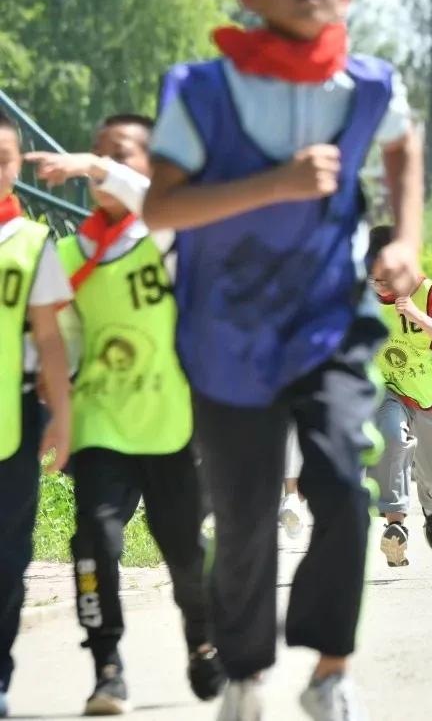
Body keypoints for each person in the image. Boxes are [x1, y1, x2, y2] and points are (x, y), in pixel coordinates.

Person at [141, 0, 423, 720]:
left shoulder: (368, 85)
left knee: (342, 484)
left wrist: (406, 236)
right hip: (225, 334)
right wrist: (277, 184)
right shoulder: (199, 89)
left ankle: (331, 671)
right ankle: (243, 673)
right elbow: (163, 204)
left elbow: (403, 150)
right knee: (244, 510)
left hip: (327, 321)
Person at [27, 115, 227, 714]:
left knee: (186, 557)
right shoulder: (64, 254)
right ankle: (106, 666)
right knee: (93, 542)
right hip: (99, 429)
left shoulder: (169, 241)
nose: (104, 167)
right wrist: (54, 405)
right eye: (97, 154)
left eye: (121, 156)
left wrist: (92, 165)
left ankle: (202, 639)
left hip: (171, 430)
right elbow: (58, 346)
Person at [0, 112, 73, 719]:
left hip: (16, 419)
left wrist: (62, 413)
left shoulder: (30, 242)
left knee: (8, 555)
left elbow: (49, 338)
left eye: (7, 159)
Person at [366, 225, 432, 567]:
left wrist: (416, 316)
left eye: (387, 279)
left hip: (430, 394)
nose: (381, 287)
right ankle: (396, 526)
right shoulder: (361, 298)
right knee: (391, 439)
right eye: (374, 279)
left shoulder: (426, 291)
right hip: (388, 389)